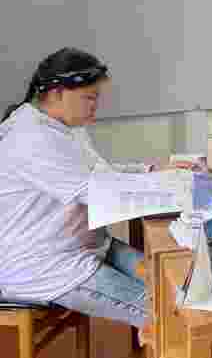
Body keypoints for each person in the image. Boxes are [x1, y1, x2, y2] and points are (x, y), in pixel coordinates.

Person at [0, 48, 148, 328]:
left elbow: (101, 174)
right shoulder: (30, 138)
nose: (95, 106)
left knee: (170, 283)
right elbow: (101, 193)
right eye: (89, 98)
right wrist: (174, 188)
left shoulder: (61, 127)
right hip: (45, 268)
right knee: (169, 314)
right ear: (57, 93)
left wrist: (152, 172)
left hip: (84, 246)